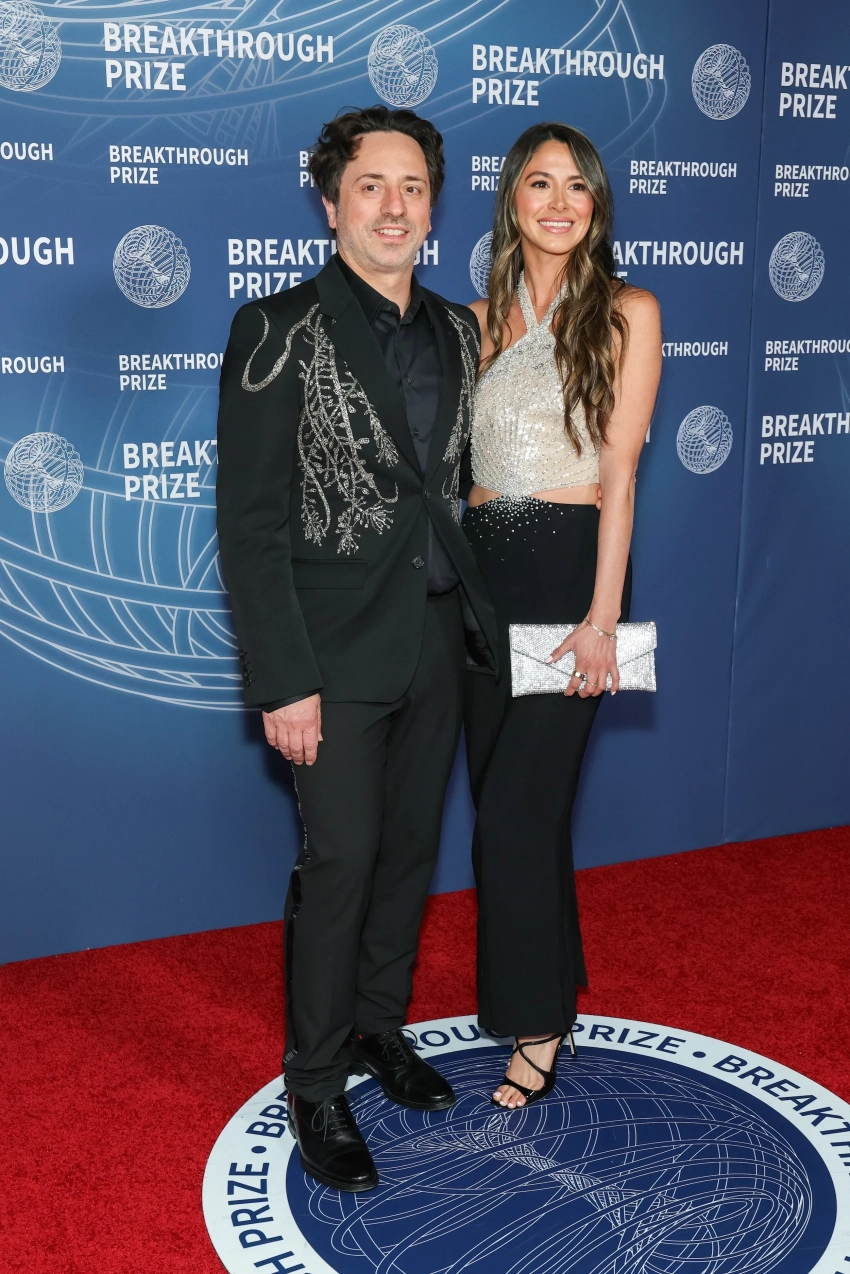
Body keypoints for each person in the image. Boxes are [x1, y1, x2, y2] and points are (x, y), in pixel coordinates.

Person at [215, 106, 497, 1191]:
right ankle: (317, 1079)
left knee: (410, 852)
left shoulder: (461, 332)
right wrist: (283, 679)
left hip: (437, 637)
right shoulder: (276, 327)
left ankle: (381, 1025)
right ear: (331, 204)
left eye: (413, 187)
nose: (394, 206)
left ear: (433, 206)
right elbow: (251, 527)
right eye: (371, 186)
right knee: (340, 862)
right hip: (329, 655)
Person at [462, 122, 661, 1109]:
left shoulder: (628, 310)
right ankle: (554, 986)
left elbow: (620, 473)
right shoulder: (473, 319)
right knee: (521, 815)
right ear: (513, 197)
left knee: (511, 816)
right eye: (539, 183)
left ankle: (535, 1024)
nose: (558, 202)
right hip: (476, 579)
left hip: (569, 577)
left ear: (596, 206)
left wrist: (602, 616)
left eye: (576, 186)